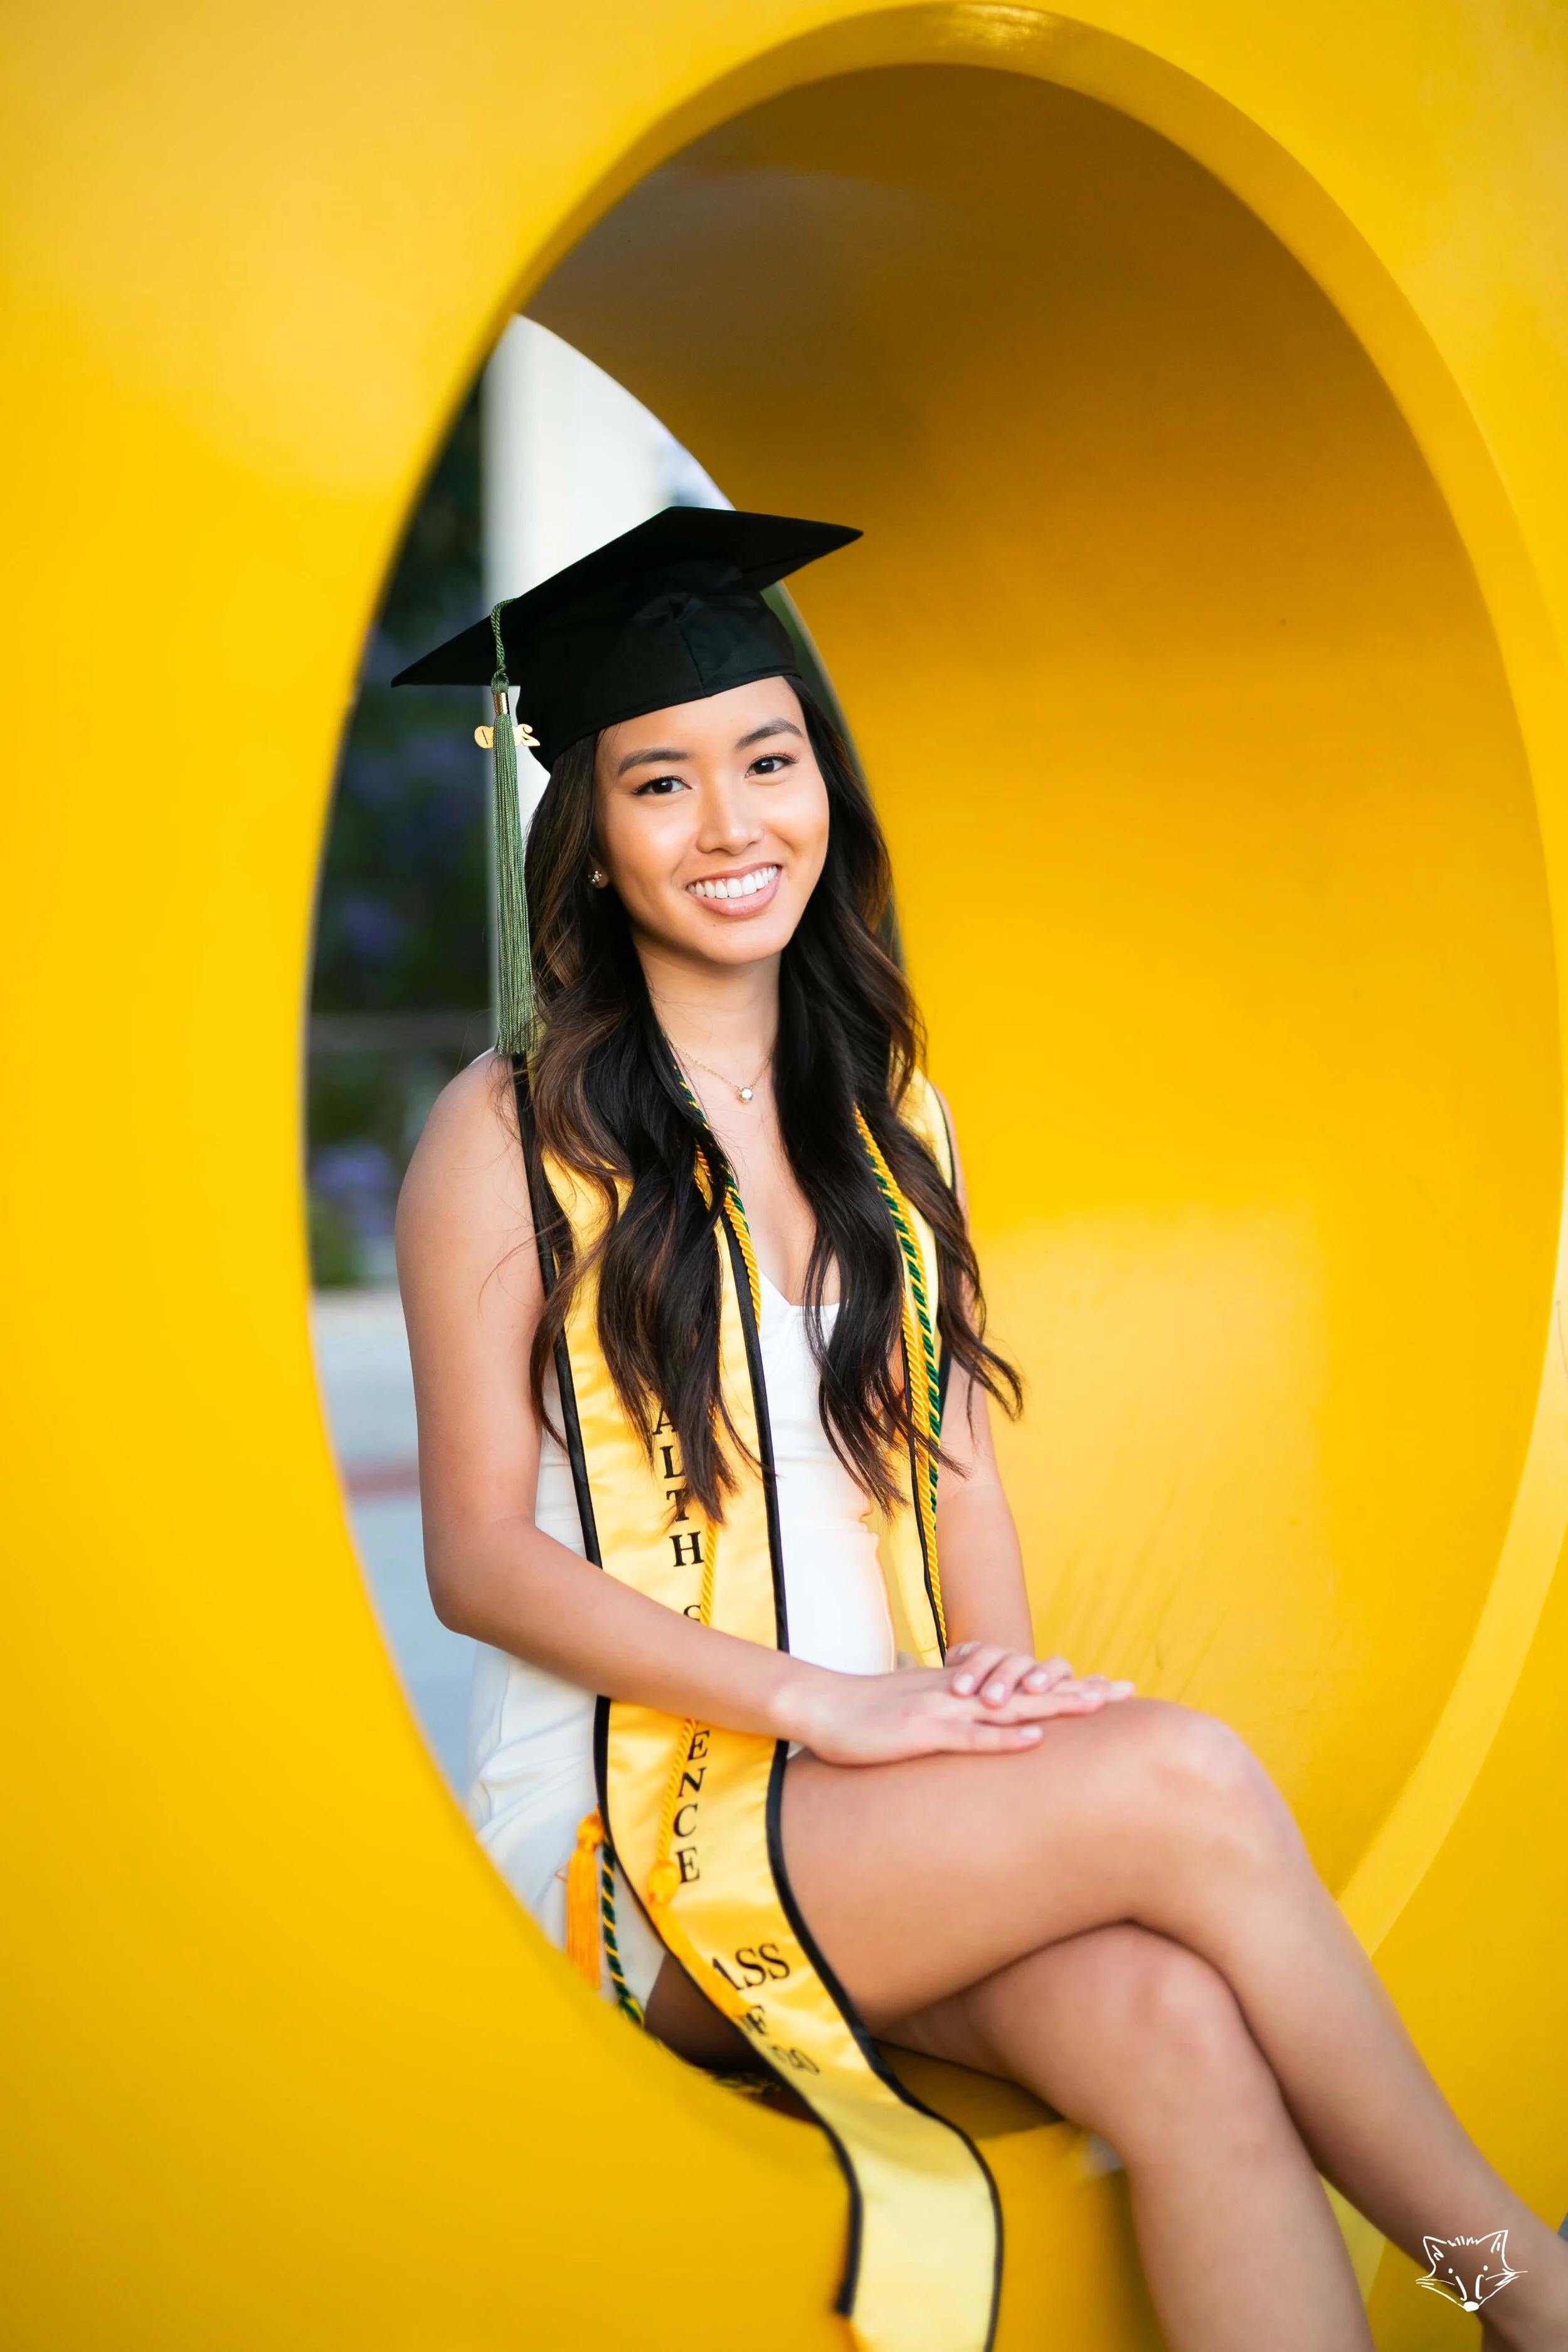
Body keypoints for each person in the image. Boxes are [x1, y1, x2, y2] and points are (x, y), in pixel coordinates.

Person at [393, 508, 1568, 2352]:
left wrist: (991, 1702)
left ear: (823, 788)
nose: (730, 827)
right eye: (662, 783)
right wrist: (838, 1709)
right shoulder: (509, 1130)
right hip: (640, 1842)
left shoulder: (885, 1115)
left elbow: (949, 1466)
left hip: (880, 1799)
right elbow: (475, 1557)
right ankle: (1519, 2279)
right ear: (593, 843)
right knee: (1188, 1780)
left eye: (767, 762)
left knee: (1175, 2033)